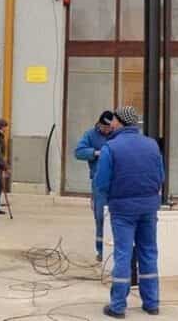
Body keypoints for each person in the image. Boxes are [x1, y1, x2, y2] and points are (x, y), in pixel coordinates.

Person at [94, 106, 164, 318]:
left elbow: (101, 182)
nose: (111, 123)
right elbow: (161, 176)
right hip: (149, 207)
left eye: (113, 120)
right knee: (149, 252)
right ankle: (152, 304)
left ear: (120, 122)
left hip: (123, 209)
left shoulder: (111, 147)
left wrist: (110, 197)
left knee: (123, 255)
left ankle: (117, 307)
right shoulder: (152, 145)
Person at [75, 110, 114, 261]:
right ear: (99, 124)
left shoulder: (115, 134)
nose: (107, 130)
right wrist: (96, 153)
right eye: (105, 128)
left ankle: (113, 248)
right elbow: (78, 152)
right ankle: (101, 251)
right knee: (100, 217)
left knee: (117, 217)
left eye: (109, 128)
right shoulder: (90, 135)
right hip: (98, 184)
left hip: (116, 181)